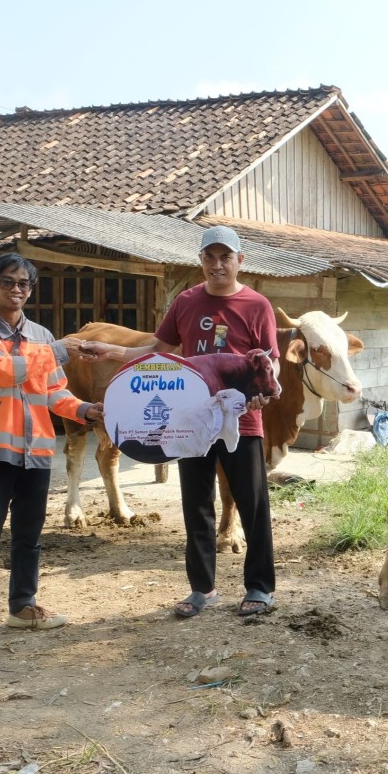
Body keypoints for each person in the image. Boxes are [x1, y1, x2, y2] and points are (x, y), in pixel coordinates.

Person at [77, 225, 279, 618]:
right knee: (196, 504)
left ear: (240, 260)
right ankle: (202, 588)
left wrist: (262, 397)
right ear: (200, 260)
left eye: (225, 257)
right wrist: (109, 352)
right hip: (192, 420)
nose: (217, 265)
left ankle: (259, 587)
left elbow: (268, 365)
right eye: (209, 257)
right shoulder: (186, 302)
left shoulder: (258, 306)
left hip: (242, 422)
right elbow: (158, 350)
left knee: (253, 505)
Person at [0, 253, 104, 654]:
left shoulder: (40, 336)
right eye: (8, 282)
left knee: (28, 538)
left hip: (36, 451)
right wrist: (60, 348)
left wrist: (85, 409)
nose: (17, 289)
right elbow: (3, 370)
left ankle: (22, 607)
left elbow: (54, 392)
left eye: (24, 284)